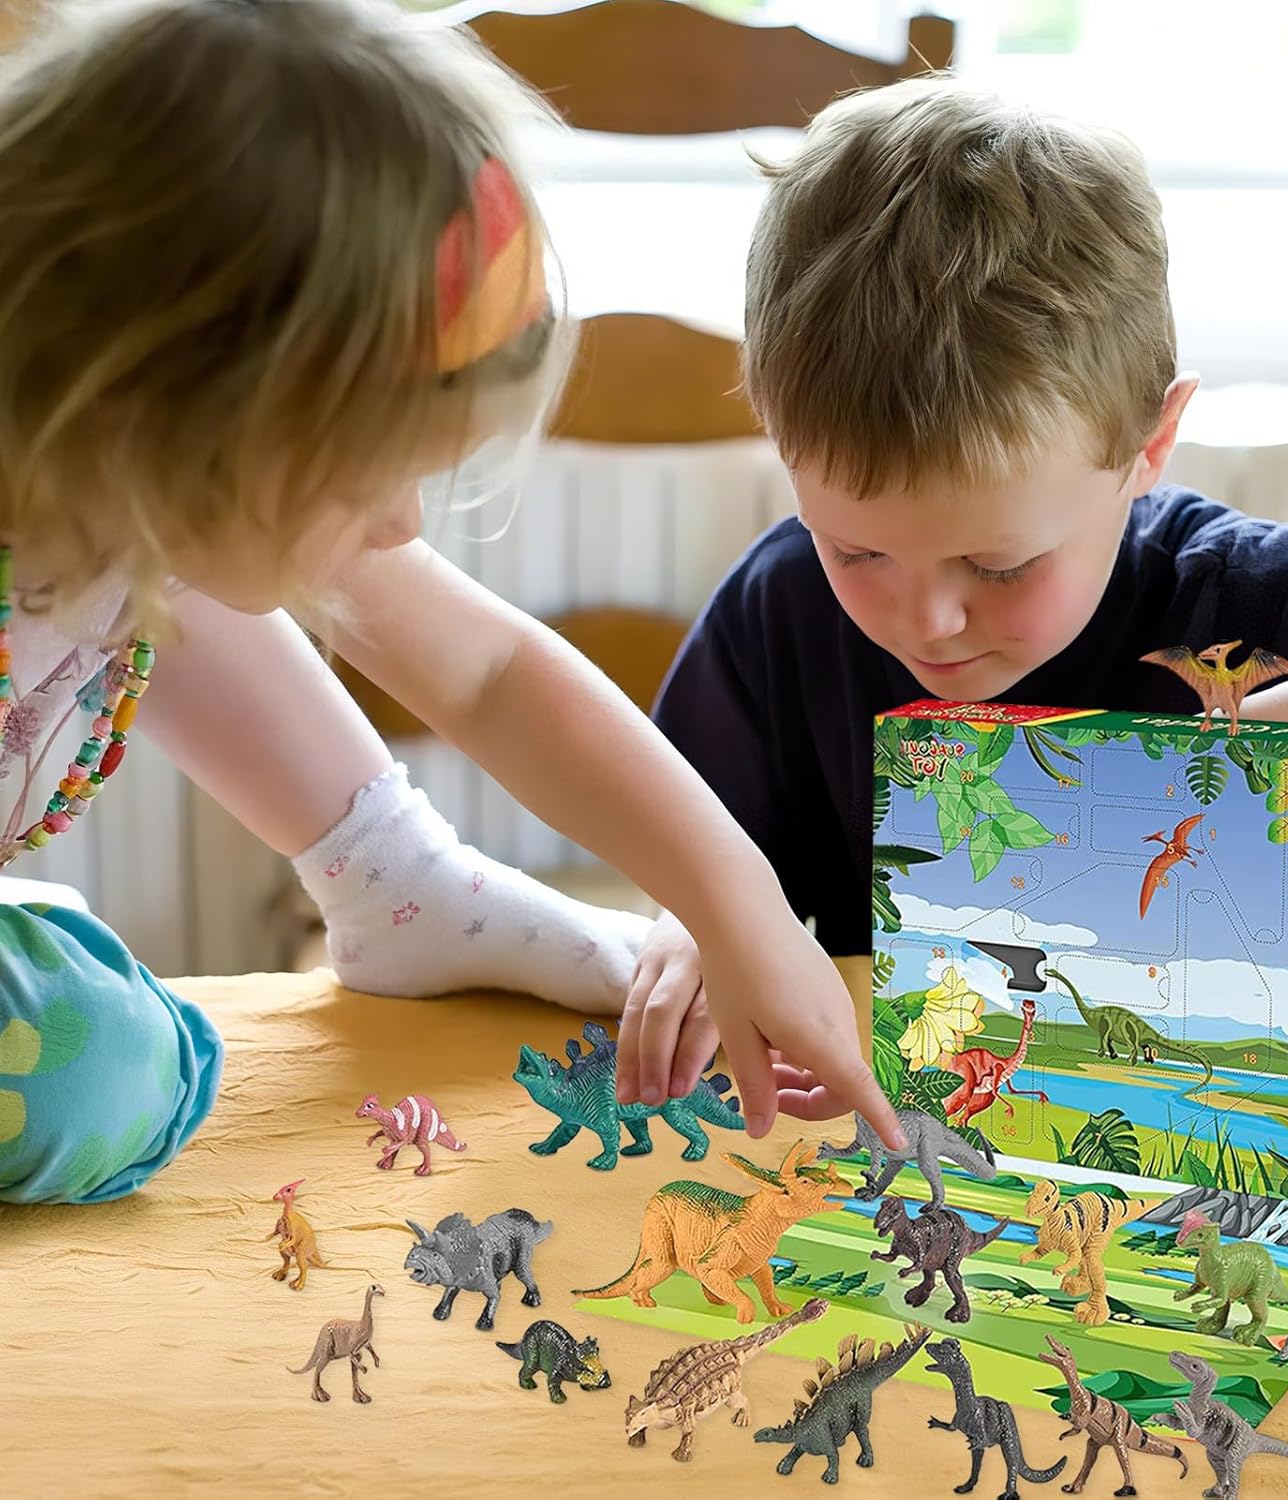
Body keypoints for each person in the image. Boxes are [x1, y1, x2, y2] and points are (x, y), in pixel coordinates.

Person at [0, 0, 901, 1205]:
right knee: (93, 1072)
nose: (401, 526)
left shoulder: (121, 469)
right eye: (366, 482)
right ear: (161, 413)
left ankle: (394, 874)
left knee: (167, 566)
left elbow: (486, 672)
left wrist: (742, 909)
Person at [624, 76, 1288, 1106]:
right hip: (923, 1144)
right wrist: (696, 919)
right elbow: (691, 851)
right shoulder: (779, 613)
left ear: (1149, 447)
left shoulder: (1247, 606)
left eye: (999, 566)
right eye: (856, 551)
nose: (927, 619)